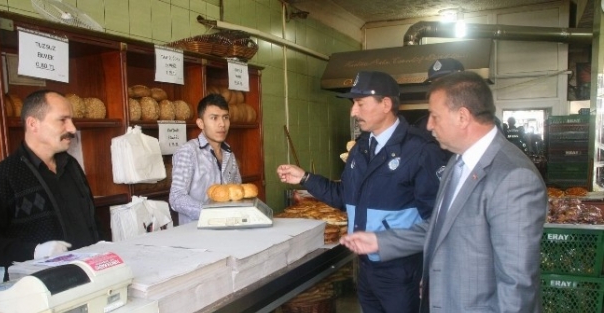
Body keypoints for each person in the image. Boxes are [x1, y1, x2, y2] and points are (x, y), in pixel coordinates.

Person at [340, 71, 547, 313]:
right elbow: (439, 229)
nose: (428, 125)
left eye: (435, 117)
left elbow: (518, 284)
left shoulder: (513, 177)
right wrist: (380, 241)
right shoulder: (457, 162)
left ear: (462, 117)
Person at [277, 71, 447, 313]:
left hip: (403, 272)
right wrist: (305, 178)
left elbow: (439, 223)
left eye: (360, 103)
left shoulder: (420, 150)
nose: (353, 112)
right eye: (353, 104)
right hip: (366, 269)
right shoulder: (361, 148)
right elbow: (344, 196)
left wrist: (431, 275)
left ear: (386, 104)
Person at [0, 90, 101, 283]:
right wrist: (34, 251)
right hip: (40, 290)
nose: (72, 128)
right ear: (33, 124)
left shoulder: (71, 166)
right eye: (63, 120)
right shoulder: (2, 177)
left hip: (89, 278)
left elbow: (90, 219)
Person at [169, 93, 241, 225]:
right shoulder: (188, 152)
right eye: (214, 118)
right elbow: (176, 198)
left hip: (228, 230)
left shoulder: (229, 152)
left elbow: (237, 191)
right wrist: (212, 212)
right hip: (196, 236)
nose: (222, 124)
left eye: (225, 117)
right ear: (200, 123)